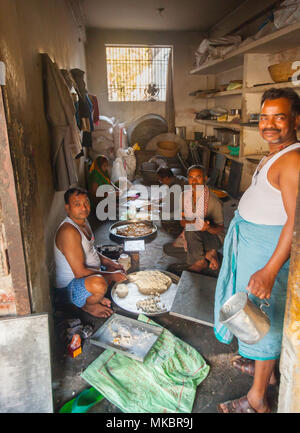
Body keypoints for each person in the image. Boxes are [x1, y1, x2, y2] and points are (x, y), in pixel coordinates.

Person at [214, 87, 300, 413]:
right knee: (255, 314)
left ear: (296, 120)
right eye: (264, 117)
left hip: (268, 252)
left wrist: (270, 269)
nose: (269, 124)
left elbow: (296, 221)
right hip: (253, 246)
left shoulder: (292, 160)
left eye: (279, 117)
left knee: (265, 317)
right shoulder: (274, 153)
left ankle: (257, 399)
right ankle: (265, 368)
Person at [54, 187, 127, 318]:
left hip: (88, 274)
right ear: (67, 208)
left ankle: (95, 297)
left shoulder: (83, 221)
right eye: (77, 204)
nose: (84, 208)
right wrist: (110, 275)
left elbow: (90, 250)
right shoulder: (68, 232)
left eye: (86, 202)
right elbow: (80, 273)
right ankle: (88, 305)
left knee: (116, 266)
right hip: (69, 287)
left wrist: (111, 263)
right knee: (99, 283)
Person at [164, 164, 224, 274]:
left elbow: (220, 229)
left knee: (191, 231)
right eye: (191, 177)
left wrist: (208, 227)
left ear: (205, 179)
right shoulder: (184, 196)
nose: (194, 181)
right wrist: (192, 223)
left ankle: (201, 262)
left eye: (198, 177)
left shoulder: (214, 201)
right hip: (194, 235)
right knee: (167, 249)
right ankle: (208, 254)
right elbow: (182, 222)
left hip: (213, 238)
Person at [157, 166, 188, 236]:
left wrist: (153, 207)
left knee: (162, 215)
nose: (160, 181)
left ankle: (177, 230)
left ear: (166, 178)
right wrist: (159, 201)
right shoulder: (178, 178)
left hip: (189, 212)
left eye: (160, 179)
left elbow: (169, 209)